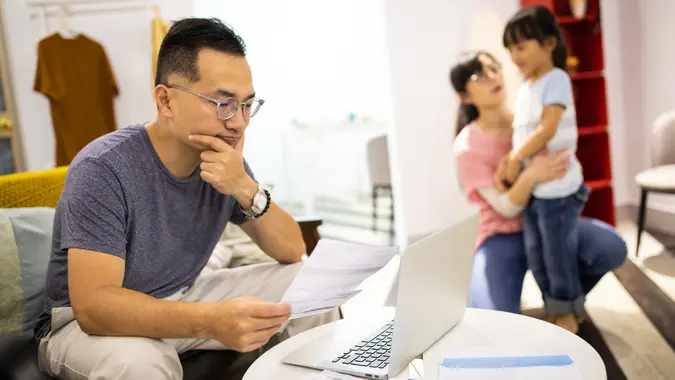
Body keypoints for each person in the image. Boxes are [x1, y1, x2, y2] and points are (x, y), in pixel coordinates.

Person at [34, 18, 338, 379]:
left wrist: (244, 187)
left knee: (311, 285)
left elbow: (290, 251)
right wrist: (211, 321)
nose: (239, 122)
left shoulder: (223, 163)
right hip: (82, 326)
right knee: (138, 363)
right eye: (223, 103)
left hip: (181, 295)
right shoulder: (102, 168)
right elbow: (95, 306)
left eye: (247, 105)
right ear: (166, 100)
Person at [450, 51, 627, 324]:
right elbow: (505, 209)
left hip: (550, 221)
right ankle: (553, 303)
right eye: (479, 75)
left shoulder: (531, 117)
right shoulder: (467, 146)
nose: (493, 77)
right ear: (465, 96)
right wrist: (530, 176)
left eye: (494, 68)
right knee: (494, 319)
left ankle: (564, 303)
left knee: (611, 247)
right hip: (502, 235)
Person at [495, 5, 588, 332]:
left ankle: (567, 313)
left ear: (549, 44)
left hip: (558, 191)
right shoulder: (526, 88)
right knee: (537, 255)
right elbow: (523, 132)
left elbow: (547, 129)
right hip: (536, 190)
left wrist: (517, 157)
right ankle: (554, 306)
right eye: (510, 49)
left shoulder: (556, 79)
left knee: (558, 256)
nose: (514, 56)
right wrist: (511, 160)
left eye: (521, 46)